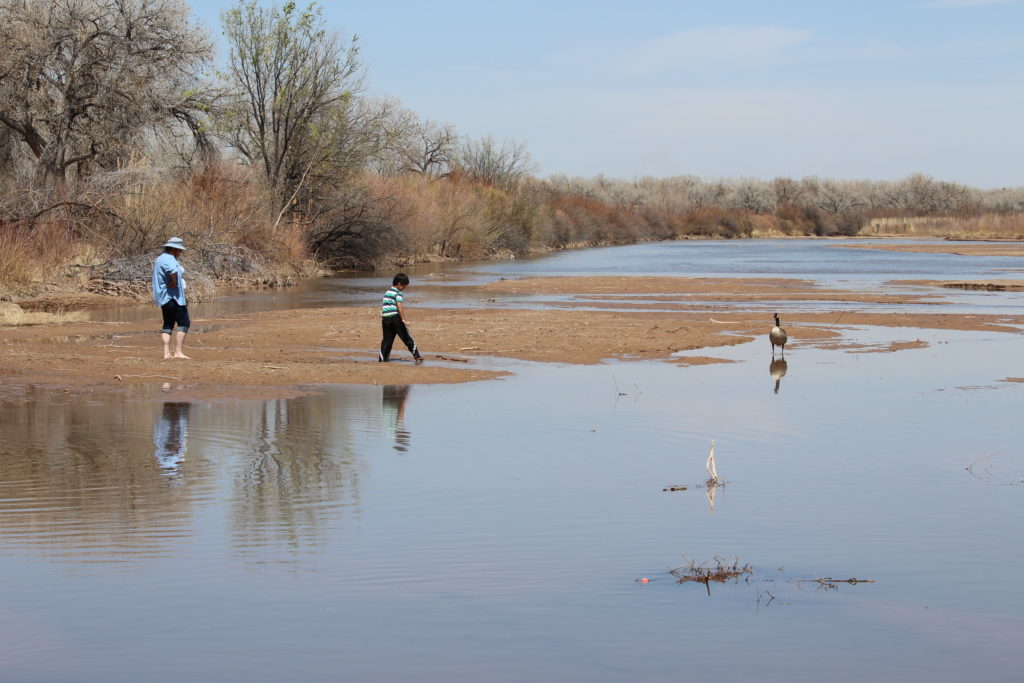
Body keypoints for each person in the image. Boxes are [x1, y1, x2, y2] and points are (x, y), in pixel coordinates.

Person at [152, 236, 190, 359]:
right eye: (179, 250)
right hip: (172, 297)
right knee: (184, 323)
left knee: (168, 324)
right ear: (173, 249)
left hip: (163, 297)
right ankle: (178, 352)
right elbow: (173, 271)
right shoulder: (169, 259)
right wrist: (174, 282)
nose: (181, 252)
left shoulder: (160, 258)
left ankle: (166, 353)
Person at [379, 273, 422, 362]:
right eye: (404, 286)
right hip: (395, 318)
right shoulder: (398, 293)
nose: (404, 288)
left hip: (386, 319)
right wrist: (403, 319)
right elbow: (399, 306)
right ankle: (417, 355)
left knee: (387, 341)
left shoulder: (387, 292)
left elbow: (385, 306)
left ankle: (382, 359)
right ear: (399, 284)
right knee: (407, 337)